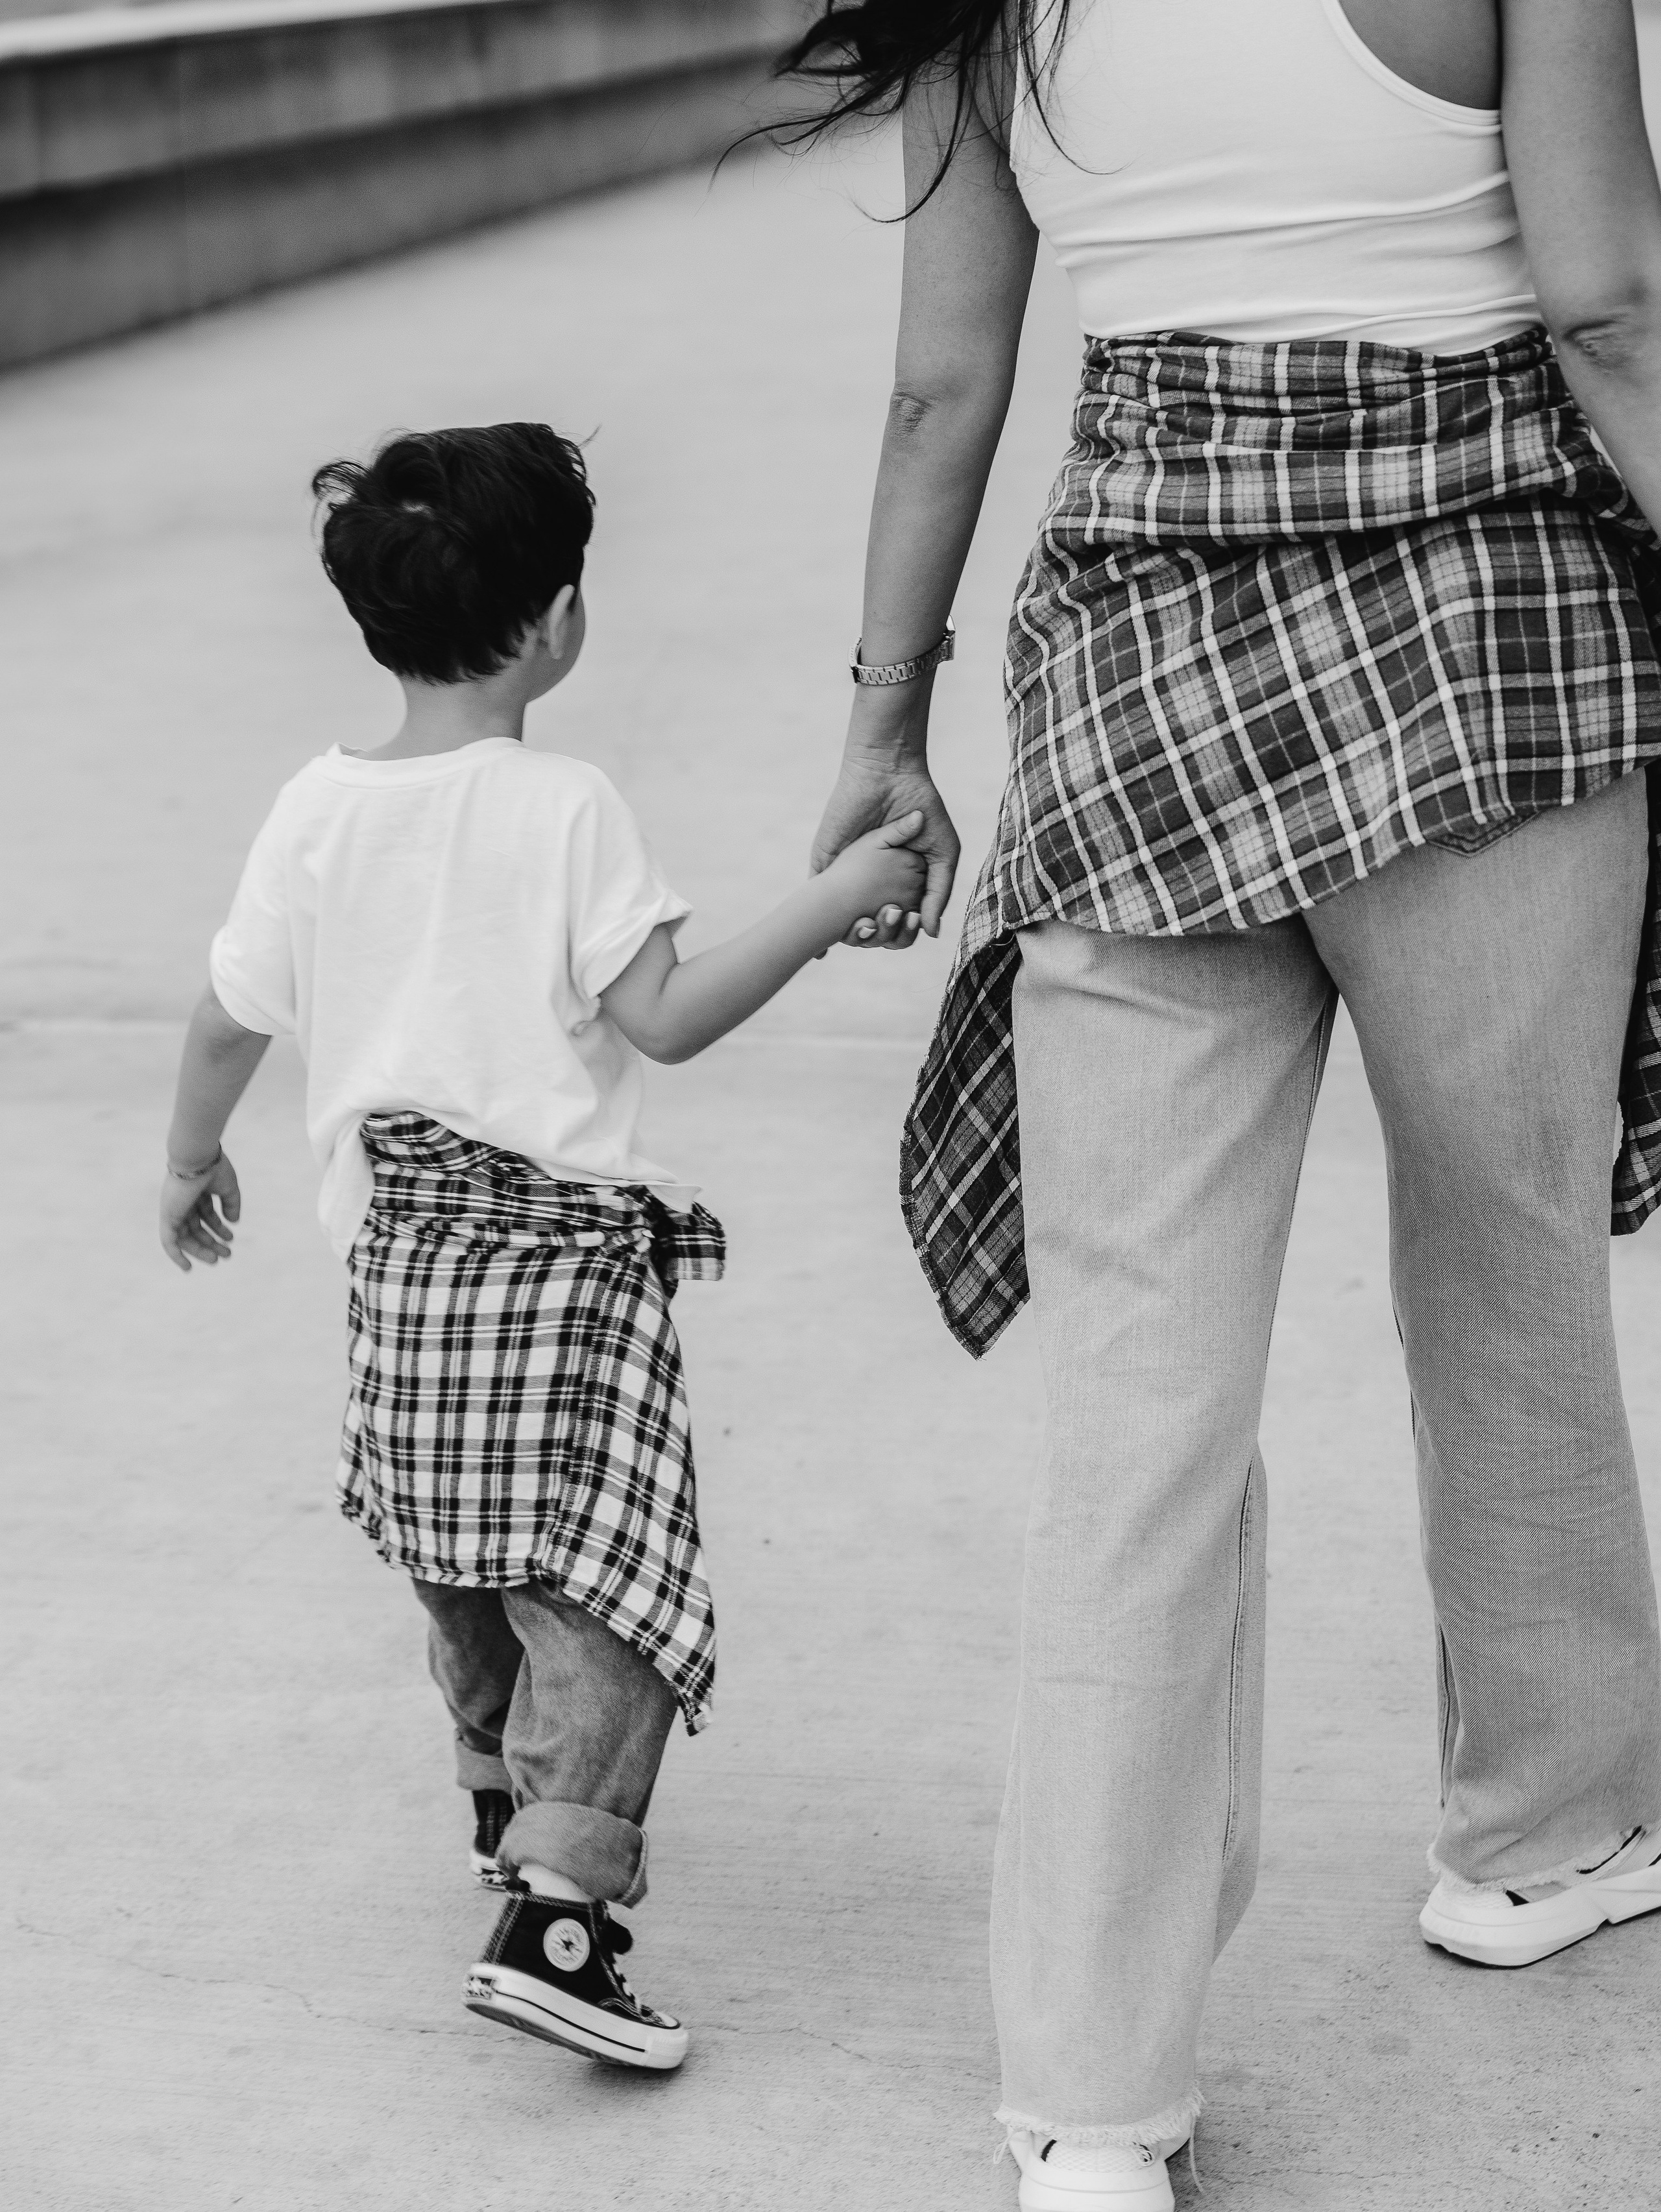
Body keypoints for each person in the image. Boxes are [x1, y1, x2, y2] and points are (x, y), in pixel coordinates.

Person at [783, 1, 1661, 2202]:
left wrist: (886, 723)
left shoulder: (977, 6)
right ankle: (1545, 1839)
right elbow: (1608, 297)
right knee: (1507, 1260)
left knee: (1138, 1399)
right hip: (1485, 627)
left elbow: (941, 384)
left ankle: (1092, 2093)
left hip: (1140, 659)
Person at [157, 423, 925, 2071]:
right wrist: (838, 892)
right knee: (602, 1597)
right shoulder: (564, 807)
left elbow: (229, 1015)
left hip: (400, 1273)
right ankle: (559, 1922)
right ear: (557, 620)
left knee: (463, 1565)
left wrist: (184, 1160)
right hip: (559, 1280)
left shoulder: (314, 807)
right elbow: (668, 1012)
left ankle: (505, 1815)